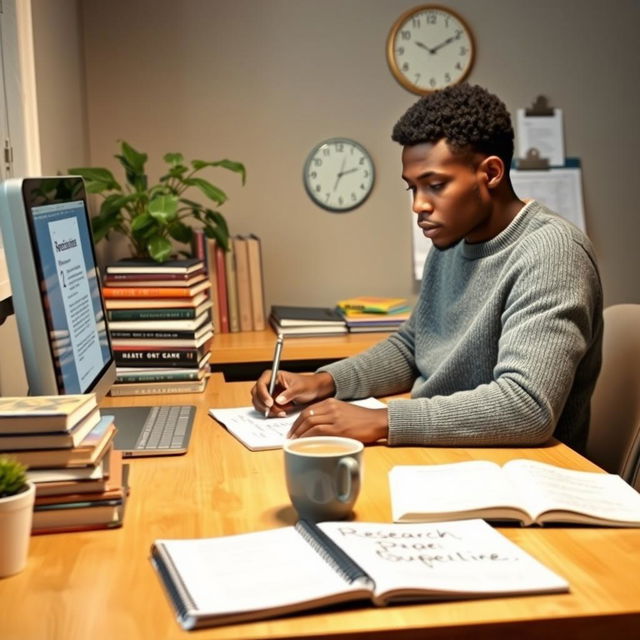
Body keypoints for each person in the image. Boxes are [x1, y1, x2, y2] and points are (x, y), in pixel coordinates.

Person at [251, 83, 603, 453]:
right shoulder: (451, 240)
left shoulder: (552, 252)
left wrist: (382, 421)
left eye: (435, 185)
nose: (419, 205)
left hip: (524, 481)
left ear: (492, 173)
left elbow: (527, 407)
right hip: (452, 454)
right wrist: (323, 381)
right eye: (412, 189)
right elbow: (413, 347)